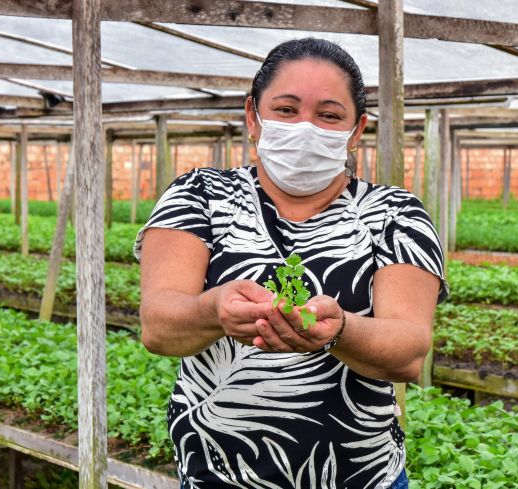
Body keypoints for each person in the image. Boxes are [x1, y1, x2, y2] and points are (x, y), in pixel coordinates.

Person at [136, 37, 447, 489]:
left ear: (356, 131)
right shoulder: (199, 195)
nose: (306, 128)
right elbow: (157, 326)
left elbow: (410, 350)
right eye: (286, 110)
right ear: (253, 118)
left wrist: (340, 329)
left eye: (328, 115)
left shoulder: (394, 214)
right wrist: (214, 308)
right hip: (216, 477)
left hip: (362, 478)